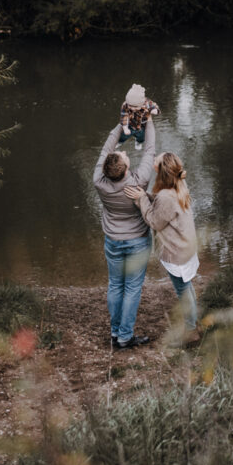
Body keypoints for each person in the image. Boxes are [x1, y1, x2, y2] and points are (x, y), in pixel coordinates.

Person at [124, 152, 201, 347]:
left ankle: (191, 332)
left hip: (176, 252)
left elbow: (154, 221)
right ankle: (194, 323)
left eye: (155, 160)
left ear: (161, 171)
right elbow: (160, 202)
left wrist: (142, 199)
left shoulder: (167, 196)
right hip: (187, 247)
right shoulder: (178, 186)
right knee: (187, 286)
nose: (153, 160)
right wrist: (147, 196)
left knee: (182, 290)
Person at [93, 117, 157, 350]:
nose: (124, 153)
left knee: (115, 284)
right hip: (137, 241)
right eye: (123, 155)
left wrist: (122, 125)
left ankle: (115, 332)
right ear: (125, 168)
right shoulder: (138, 182)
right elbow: (150, 149)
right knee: (131, 288)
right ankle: (124, 337)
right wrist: (148, 121)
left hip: (113, 241)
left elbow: (106, 148)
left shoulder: (99, 182)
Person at [119, 84, 160, 150]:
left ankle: (138, 142)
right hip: (131, 123)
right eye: (130, 106)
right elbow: (124, 116)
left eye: (135, 107)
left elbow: (154, 106)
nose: (132, 108)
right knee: (124, 135)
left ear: (142, 103)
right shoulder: (125, 105)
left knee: (141, 137)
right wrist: (125, 128)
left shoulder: (147, 103)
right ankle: (120, 142)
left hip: (142, 124)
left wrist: (155, 110)